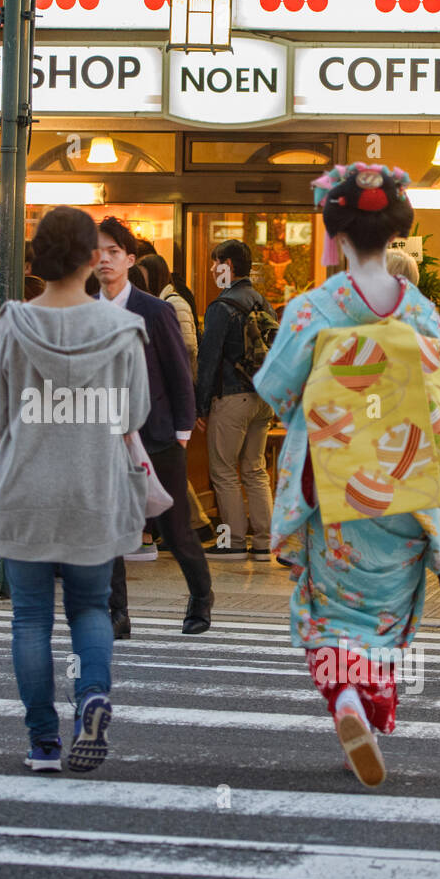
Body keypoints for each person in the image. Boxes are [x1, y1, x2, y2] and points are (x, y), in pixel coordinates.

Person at [253, 162, 440, 787]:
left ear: (335, 231)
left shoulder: (314, 308)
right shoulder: (420, 312)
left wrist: (325, 397)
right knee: (383, 616)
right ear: (397, 230)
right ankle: (365, 711)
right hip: (403, 485)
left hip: (334, 488)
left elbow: (275, 390)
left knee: (333, 614)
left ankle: (343, 700)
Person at [0, 205, 150, 773]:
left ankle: (43, 742)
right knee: (91, 607)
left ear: (38, 258)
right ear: (93, 258)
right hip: (93, 490)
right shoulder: (122, 329)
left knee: (29, 617)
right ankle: (93, 694)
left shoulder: (11, 324)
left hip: (25, 489)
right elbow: (135, 413)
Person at [97, 216, 213, 638]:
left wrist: (182, 430)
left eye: (114, 252)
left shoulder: (155, 310)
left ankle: (201, 597)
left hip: (157, 433)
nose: (105, 259)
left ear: (129, 259)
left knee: (175, 527)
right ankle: (117, 612)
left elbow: (179, 373)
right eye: (98, 252)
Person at [195, 238, 277, 561]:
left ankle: (232, 540)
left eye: (216, 264)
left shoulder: (222, 307)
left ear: (228, 266)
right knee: (255, 468)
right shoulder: (263, 302)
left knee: (224, 471)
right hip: (262, 398)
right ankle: (263, 542)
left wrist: (201, 406)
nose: (213, 270)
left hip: (231, 398)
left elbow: (208, 360)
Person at [139, 251, 212, 543]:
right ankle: (188, 526)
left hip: (166, 398)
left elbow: (186, 350)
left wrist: (188, 402)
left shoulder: (169, 305)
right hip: (165, 398)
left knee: (164, 467)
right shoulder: (162, 304)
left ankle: (190, 526)